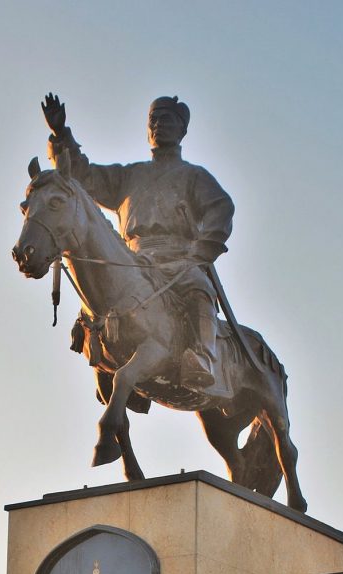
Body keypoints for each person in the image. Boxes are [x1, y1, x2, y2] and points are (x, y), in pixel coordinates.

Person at [41, 93, 235, 396]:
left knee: (198, 288)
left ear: (182, 129)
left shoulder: (194, 176)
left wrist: (200, 252)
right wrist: (60, 134)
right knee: (97, 303)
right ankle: (110, 365)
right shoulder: (131, 175)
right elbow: (82, 177)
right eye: (153, 120)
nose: (158, 125)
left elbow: (221, 209)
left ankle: (203, 357)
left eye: (166, 119)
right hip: (135, 259)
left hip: (179, 258)